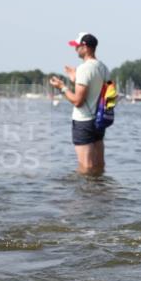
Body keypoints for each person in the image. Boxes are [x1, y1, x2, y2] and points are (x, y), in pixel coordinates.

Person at [49, 32, 110, 176]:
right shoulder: (104, 67)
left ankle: (85, 197)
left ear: (86, 47)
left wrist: (62, 87)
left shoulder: (84, 68)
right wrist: (75, 79)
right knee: (99, 164)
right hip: (100, 120)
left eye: (77, 46)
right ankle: (99, 194)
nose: (75, 49)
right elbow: (95, 92)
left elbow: (78, 101)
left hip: (84, 122)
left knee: (85, 167)